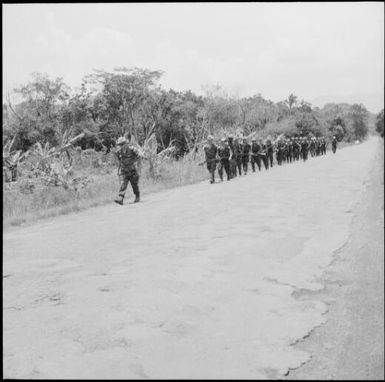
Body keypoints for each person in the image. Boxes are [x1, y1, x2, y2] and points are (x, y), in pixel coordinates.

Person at [114, 135, 142, 205]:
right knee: (123, 184)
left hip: (132, 171)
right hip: (124, 171)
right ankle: (120, 198)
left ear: (125, 144)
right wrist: (120, 169)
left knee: (134, 185)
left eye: (122, 144)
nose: (120, 146)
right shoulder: (118, 152)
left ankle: (137, 196)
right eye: (120, 145)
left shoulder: (132, 149)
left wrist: (134, 161)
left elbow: (139, 155)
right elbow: (120, 161)